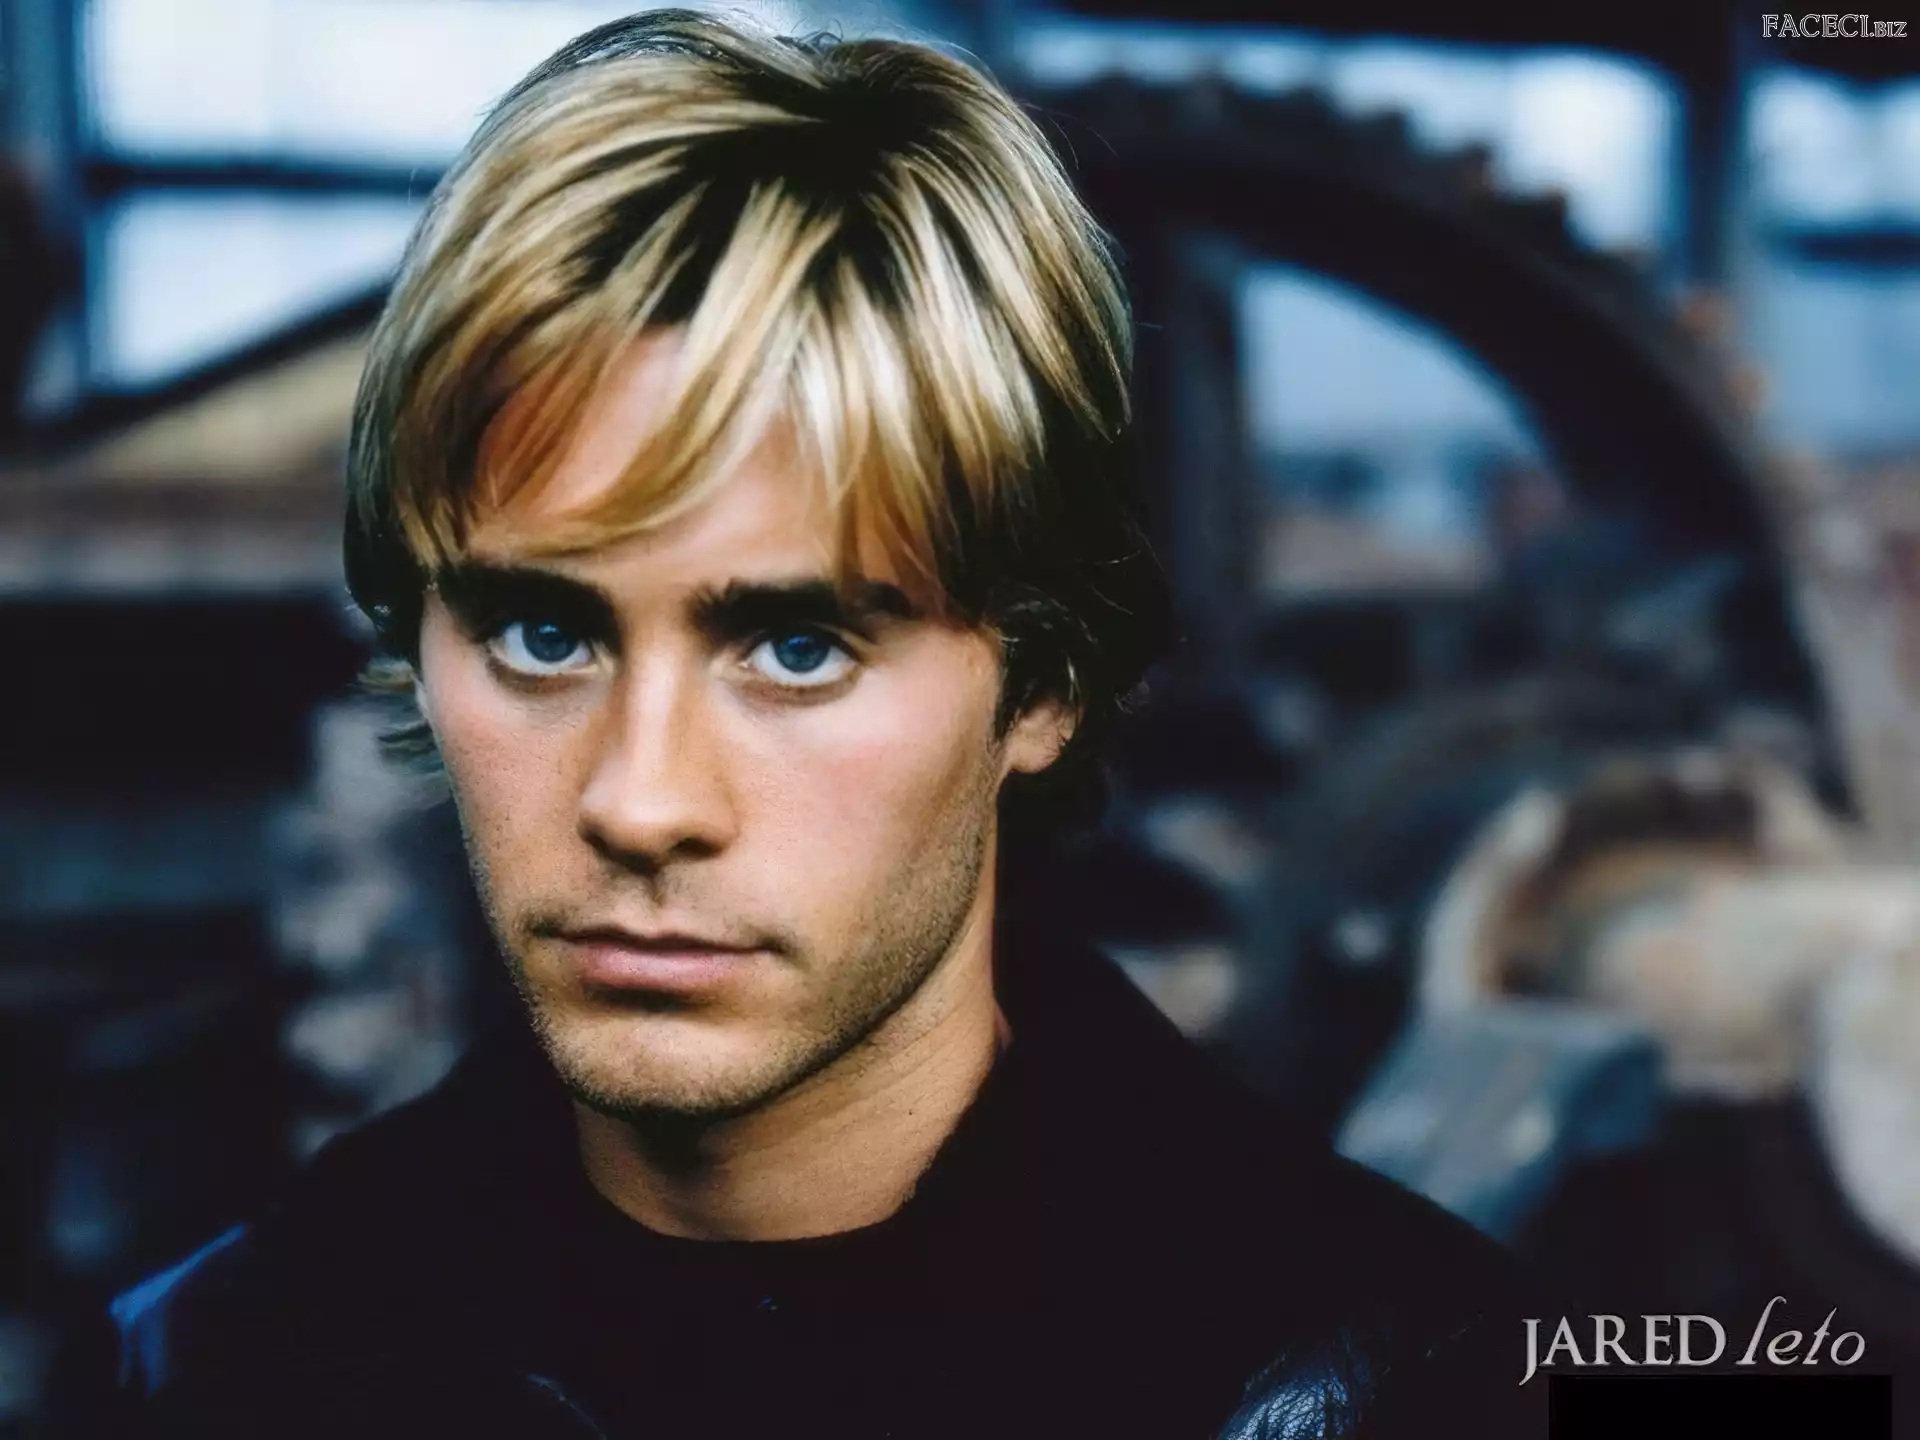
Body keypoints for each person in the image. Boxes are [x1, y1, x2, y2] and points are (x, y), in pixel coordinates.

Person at [43, 11, 1540, 1437]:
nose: (641, 803)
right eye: (544, 635)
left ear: (1043, 682)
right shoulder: (211, 1374)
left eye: (798, 648)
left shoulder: (1404, 1383)